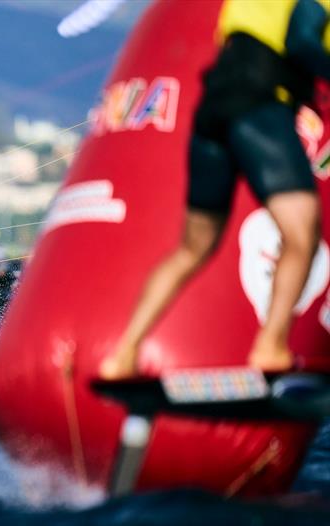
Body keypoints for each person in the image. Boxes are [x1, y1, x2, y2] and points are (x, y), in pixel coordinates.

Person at [100, 0, 328, 379]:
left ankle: (123, 354)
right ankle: (271, 346)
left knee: (193, 248)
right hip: (259, 104)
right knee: (302, 235)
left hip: (213, 110)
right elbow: (302, 37)